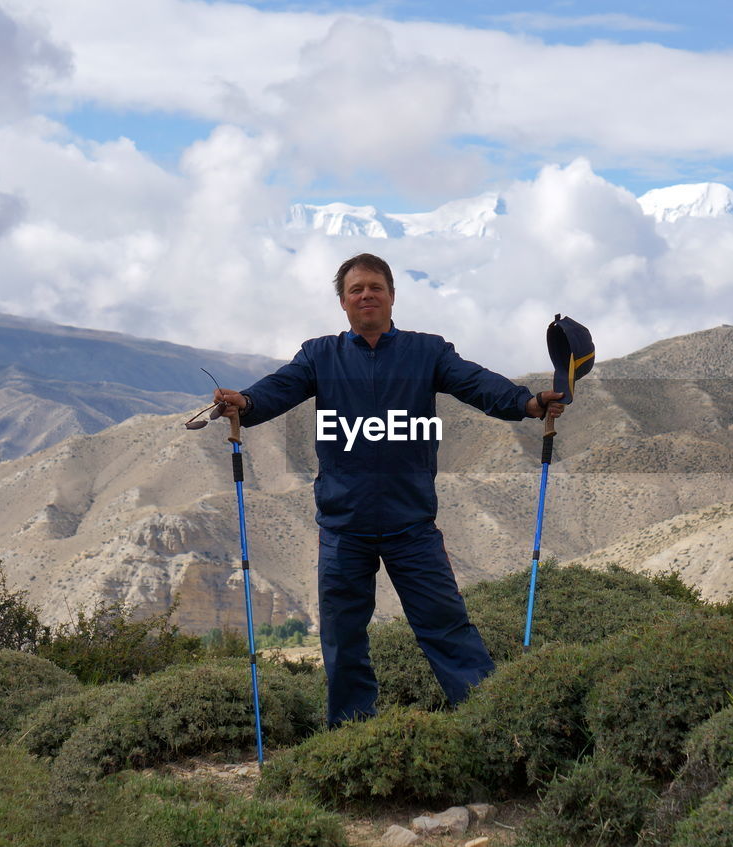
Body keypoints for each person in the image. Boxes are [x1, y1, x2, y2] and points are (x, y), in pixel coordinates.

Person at [213, 253, 564, 727]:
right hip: (343, 528)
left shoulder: (428, 352)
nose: (366, 295)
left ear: (392, 295)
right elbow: (278, 389)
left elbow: (479, 385)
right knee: (343, 640)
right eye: (356, 289)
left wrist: (527, 402)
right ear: (343, 302)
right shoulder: (320, 355)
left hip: (411, 526)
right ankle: (351, 737)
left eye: (375, 287)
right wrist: (246, 402)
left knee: (446, 628)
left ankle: (494, 726)